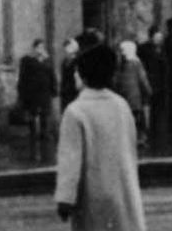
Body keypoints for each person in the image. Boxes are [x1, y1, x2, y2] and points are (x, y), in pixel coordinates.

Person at [54, 42, 147, 231]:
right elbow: (129, 148)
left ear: (84, 76)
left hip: (93, 195)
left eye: (77, 71)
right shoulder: (121, 106)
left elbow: (70, 159)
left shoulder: (75, 112)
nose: (74, 75)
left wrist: (65, 198)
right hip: (123, 191)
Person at [18, 38, 58, 155]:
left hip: (44, 92)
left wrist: (54, 89)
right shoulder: (28, 60)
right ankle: (33, 134)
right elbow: (23, 77)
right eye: (39, 47)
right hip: (32, 93)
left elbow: (51, 75)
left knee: (44, 114)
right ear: (34, 48)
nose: (41, 50)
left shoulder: (47, 61)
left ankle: (44, 133)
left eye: (42, 47)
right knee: (32, 113)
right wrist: (22, 92)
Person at [114, 40, 152, 145]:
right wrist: (148, 91)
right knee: (137, 119)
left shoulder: (120, 64)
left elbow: (116, 80)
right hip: (134, 97)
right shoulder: (136, 63)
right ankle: (139, 139)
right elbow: (142, 79)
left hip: (124, 97)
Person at [137, 26, 169, 146]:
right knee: (149, 108)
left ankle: (158, 132)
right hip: (150, 82)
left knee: (159, 109)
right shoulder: (144, 48)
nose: (159, 39)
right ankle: (150, 132)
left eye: (160, 37)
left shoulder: (162, 48)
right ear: (151, 37)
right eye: (157, 37)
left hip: (161, 84)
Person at [60, 38, 81, 115]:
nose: (67, 49)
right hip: (65, 91)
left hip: (74, 90)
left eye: (69, 46)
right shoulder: (64, 62)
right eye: (66, 47)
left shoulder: (78, 61)